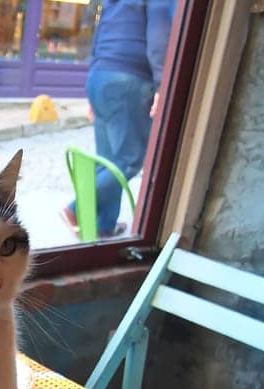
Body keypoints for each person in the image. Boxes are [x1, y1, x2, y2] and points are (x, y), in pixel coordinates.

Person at [61, 0, 176, 238]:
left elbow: (99, 36)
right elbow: (159, 37)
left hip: (100, 76)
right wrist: (163, 85)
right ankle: (75, 208)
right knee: (129, 160)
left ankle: (103, 226)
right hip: (129, 80)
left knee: (108, 160)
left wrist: (93, 91)